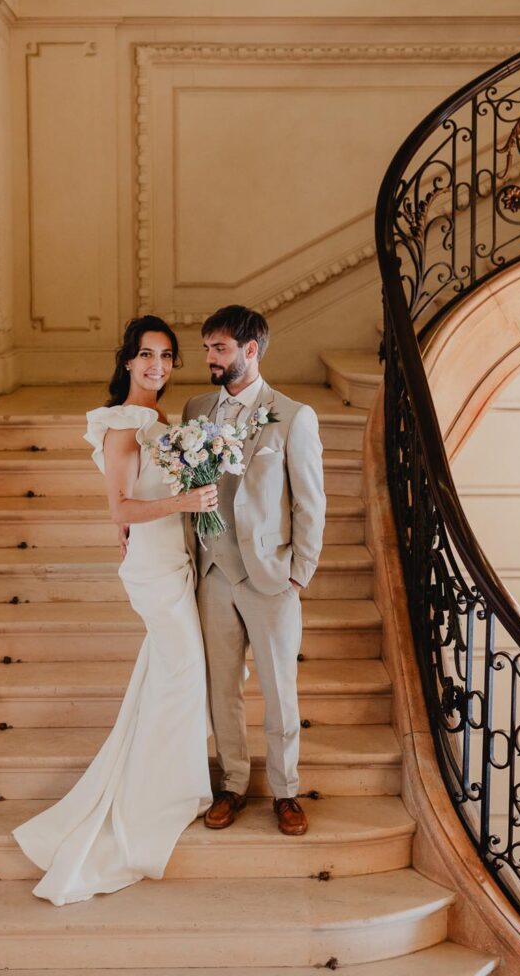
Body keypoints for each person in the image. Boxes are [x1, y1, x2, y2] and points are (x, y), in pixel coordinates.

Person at [12, 315, 214, 905]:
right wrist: (186, 500)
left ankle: (172, 782)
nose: (157, 365)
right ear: (127, 361)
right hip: (153, 570)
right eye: (147, 355)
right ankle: (157, 799)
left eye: (167, 356)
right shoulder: (124, 425)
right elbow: (122, 510)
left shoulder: (156, 422)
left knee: (168, 678)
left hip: (168, 560)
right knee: (181, 678)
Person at [183, 304, 325, 836]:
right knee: (222, 687)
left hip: (270, 576)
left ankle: (286, 792)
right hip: (213, 573)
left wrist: (299, 573)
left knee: (279, 688)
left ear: (250, 350)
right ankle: (232, 785)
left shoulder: (292, 416)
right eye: (206, 348)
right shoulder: (196, 407)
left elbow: (311, 501)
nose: (209, 358)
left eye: (218, 348)